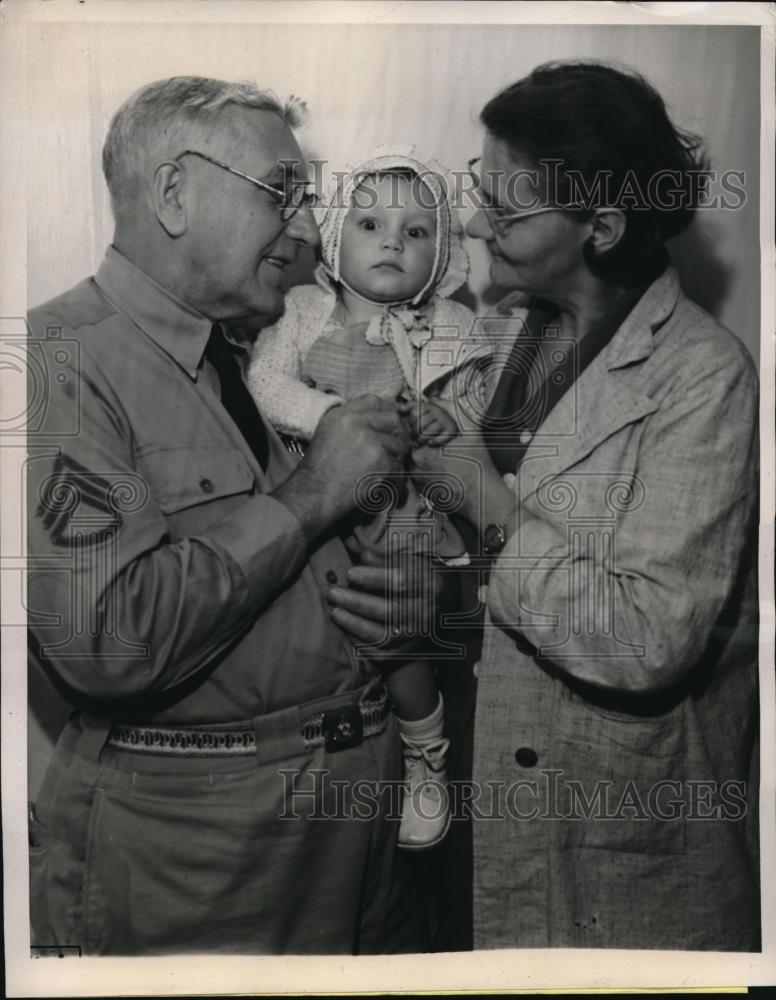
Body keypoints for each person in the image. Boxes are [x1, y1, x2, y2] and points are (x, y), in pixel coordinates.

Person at [26, 76, 447, 955]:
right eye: (280, 191)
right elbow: (110, 637)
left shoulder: (263, 358)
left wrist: (418, 606)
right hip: (206, 864)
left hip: (359, 832)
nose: (303, 228)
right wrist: (316, 492)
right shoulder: (56, 363)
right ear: (174, 193)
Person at [413, 61, 760, 950]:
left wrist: (485, 502)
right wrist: (411, 597)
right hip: (468, 796)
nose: (474, 221)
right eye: (478, 189)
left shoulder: (705, 376)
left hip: (610, 847)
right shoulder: (499, 331)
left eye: (507, 207)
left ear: (601, 224)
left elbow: (647, 639)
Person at [248, 147, 487, 850]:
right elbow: (266, 385)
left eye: (416, 232)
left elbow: (467, 433)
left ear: (439, 256)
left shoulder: (443, 331)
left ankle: (426, 749)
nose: (392, 241)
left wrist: (445, 422)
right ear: (332, 239)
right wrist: (333, 419)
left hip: (397, 507)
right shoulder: (300, 311)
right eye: (371, 224)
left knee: (397, 624)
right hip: (313, 491)